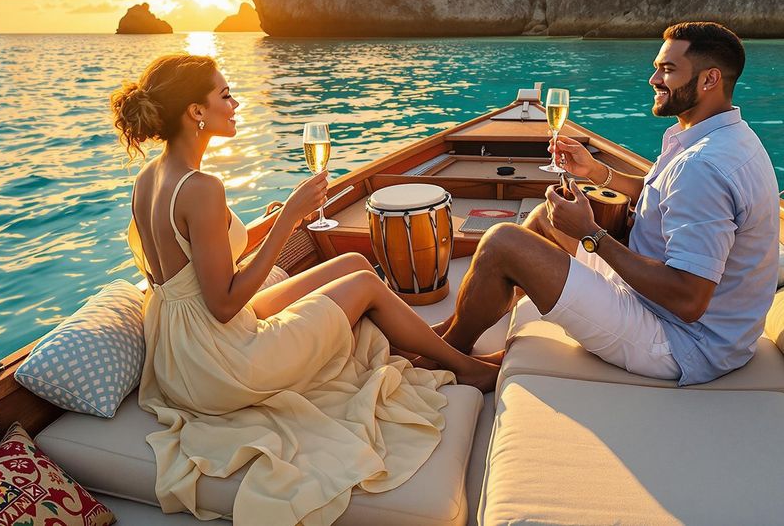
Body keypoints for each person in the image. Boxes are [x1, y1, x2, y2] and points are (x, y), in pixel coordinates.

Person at [110, 53, 498, 526]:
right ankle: (465, 368)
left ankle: (428, 345)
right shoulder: (201, 188)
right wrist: (291, 219)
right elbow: (226, 303)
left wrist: (270, 224)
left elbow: (197, 270)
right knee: (362, 284)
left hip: (181, 346)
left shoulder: (148, 178)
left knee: (353, 262)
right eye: (225, 94)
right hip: (219, 361)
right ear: (196, 111)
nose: (235, 103)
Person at [440, 21, 780, 386]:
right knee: (544, 218)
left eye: (667, 70)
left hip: (682, 342)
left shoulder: (702, 167)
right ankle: (459, 326)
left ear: (709, 80)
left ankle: (447, 355)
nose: (653, 79)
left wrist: (592, 235)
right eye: (656, 67)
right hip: (691, 320)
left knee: (503, 241)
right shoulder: (723, 137)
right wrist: (596, 171)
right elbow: (661, 192)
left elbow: (688, 299)